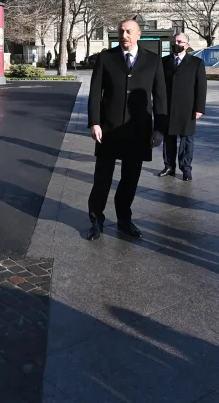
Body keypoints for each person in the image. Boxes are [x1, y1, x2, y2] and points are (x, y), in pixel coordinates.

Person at [86, 19, 167, 240]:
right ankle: (96, 220)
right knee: (102, 179)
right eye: (121, 31)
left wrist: (159, 129)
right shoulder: (106, 58)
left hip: (138, 131)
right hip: (108, 130)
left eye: (129, 32)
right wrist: (94, 122)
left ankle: (124, 219)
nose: (124, 35)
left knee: (130, 179)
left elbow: (160, 97)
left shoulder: (153, 61)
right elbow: (95, 93)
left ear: (139, 34)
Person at [157, 33, 207, 181]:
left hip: (187, 108)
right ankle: (169, 166)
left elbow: (201, 87)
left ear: (187, 45)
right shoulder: (164, 62)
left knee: (187, 139)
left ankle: (186, 168)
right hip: (168, 108)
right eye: (174, 41)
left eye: (179, 41)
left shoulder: (196, 63)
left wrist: (199, 108)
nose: (176, 43)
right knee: (169, 138)